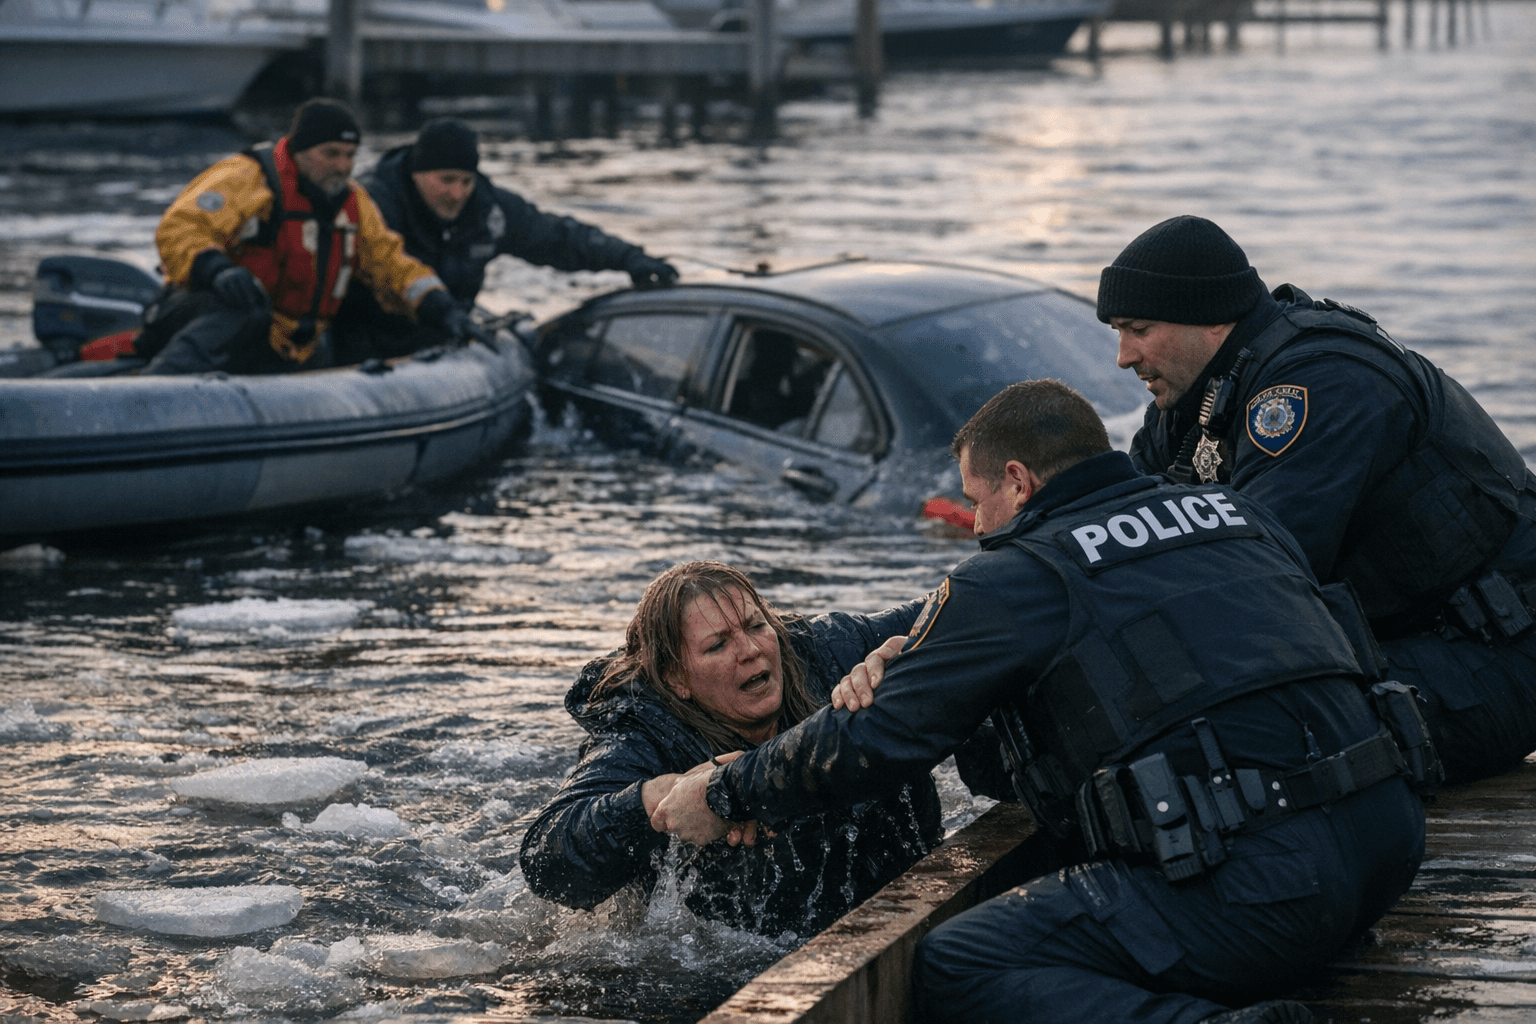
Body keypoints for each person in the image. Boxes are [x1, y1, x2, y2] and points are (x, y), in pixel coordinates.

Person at [654, 380, 1428, 1024]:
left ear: (1019, 482)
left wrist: (727, 788)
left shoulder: (1016, 577)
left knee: (963, 961)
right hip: (1390, 846)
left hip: (1267, 896)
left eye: (977, 501)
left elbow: (876, 745)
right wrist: (936, 664)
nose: (978, 527)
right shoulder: (1237, 514)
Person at [1100, 214, 1536, 785]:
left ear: (1207, 319)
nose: (1123, 356)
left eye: (1138, 329)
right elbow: (1117, 521)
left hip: (1498, 659)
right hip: (1411, 645)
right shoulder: (1201, 396)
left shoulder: (1320, 383)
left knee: (1222, 733)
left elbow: (1261, 583)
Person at [519, 561, 941, 937]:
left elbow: (961, 610)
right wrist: (658, 798)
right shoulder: (644, 730)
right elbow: (545, 858)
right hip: (731, 958)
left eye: (757, 626)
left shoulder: (830, 650)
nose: (751, 650)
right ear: (675, 679)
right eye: (717, 645)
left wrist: (909, 653)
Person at [141, 99, 473, 375]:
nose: (343, 167)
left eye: (349, 155)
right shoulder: (247, 178)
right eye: (331, 153)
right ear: (300, 151)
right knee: (243, 307)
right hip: (212, 316)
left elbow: (391, 263)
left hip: (293, 344)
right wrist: (218, 270)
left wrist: (442, 308)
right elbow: (182, 227)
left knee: (323, 337)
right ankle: (155, 391)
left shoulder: (354, 204)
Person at [334, 117, 678, 360]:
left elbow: (557, 237)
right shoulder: (373, 204)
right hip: (365, 344)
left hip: (447, 335)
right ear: (416, 173)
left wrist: (628, 258)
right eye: (447, 180)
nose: (457, 194)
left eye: (466, 181)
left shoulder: (489, 210)